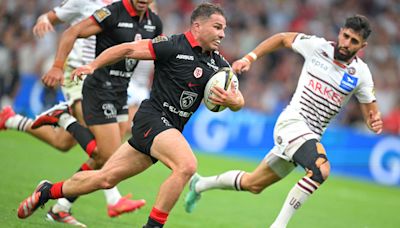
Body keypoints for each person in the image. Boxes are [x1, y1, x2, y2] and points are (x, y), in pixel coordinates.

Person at [17, 3, 244, 227]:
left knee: (104, 179)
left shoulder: (218, 64)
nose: (222, 34)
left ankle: (48, 191)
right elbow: (126, 49)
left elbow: (238, 98)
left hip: (169, 127)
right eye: (217, 27)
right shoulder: (172, 45)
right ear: (197, 26)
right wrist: (93, 66)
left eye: (223, 29)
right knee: (186, 165)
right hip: (153, 119)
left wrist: (235, 102)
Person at [184, 15, 383, 228]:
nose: (346, 43)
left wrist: (375, 120)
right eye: (345, 36)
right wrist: (249, 58)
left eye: (353, 41)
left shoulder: (361, 74)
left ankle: (200, 184)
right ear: (340, 32)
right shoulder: (317, 47)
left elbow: (371, 110)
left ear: (363, 45)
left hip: (310, 136)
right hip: (292, 123)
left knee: (253, 184)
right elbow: (281, 38)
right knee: (320, 169)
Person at [11, 0, 164, 226]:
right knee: (111, 154)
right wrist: (57, 66)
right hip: (97, 87)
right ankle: (112, 199)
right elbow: (72, 31)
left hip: (121, 91)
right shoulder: (111, 11)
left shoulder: (155, 22)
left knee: (82, 150)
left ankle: (61, 207)